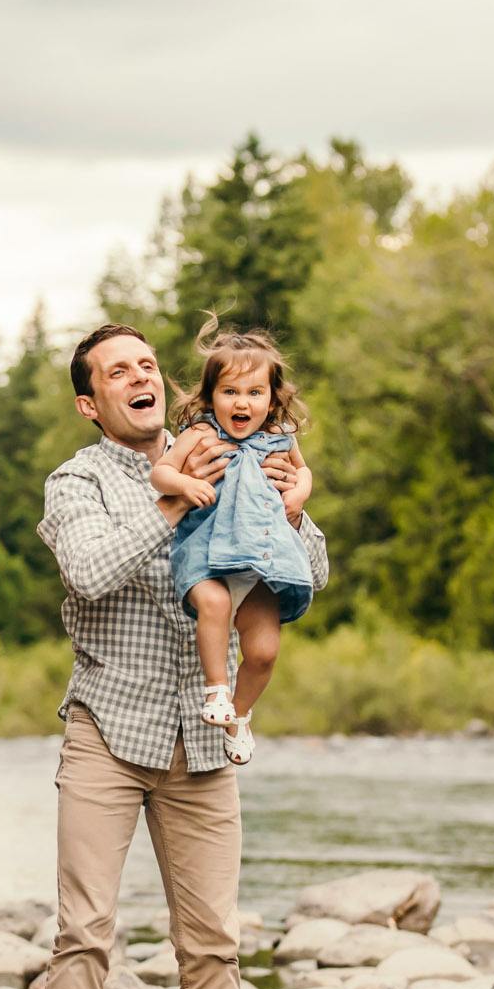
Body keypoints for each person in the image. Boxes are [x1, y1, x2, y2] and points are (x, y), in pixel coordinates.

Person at [9, 324, 329, 989]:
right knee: (84, 931)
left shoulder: (237, 444)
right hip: (109, 726)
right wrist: (172, 499)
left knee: (214, 941)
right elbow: (86, 569)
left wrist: (293, 513)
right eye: (118, 371)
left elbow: (311, 571)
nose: (139, 376)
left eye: (147, 363)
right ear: (92, 402)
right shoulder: (75, 480)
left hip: (204, 727)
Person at [149, 319, 315, 765]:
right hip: (205, 558)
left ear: (272, 399)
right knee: (216, 606)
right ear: (211, 398)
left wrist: (297, 495)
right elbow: (160, 472)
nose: (242, 402)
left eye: (254, 393)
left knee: (263, 651)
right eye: (230, 392)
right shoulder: (200, 436)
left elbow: (303, 473)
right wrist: (183, 486)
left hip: (261, 563)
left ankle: (239, 715)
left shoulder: (280, 439)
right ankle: (217, 689)